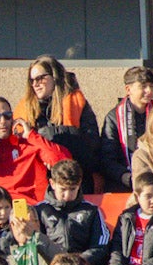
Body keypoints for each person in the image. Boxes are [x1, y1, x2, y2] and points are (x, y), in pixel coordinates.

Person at [13, 55, 100, 192]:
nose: (35, 84)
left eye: (40, 78)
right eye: (32, 80)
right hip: (39, 183)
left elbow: (92, 145)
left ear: (55, 77)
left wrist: (53, 140)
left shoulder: (76, 102)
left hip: (75, 181)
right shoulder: (23, 109)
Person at [100, 66, 153, 191]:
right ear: (128, 89)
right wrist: (127, 178)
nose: (149, 91)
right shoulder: (114, 117)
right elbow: (107, 159)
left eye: (151, 86)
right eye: (143, 86)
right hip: (125, 183)